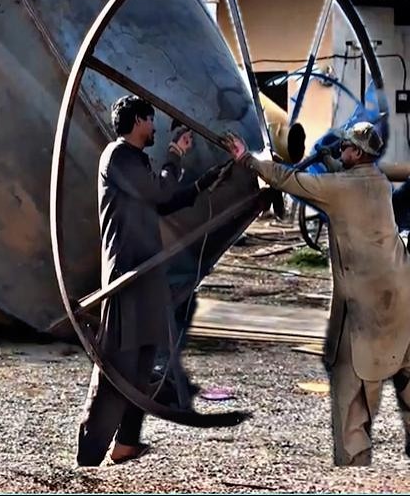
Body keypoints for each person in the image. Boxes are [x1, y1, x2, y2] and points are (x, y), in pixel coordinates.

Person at [224, 122, 410, 466]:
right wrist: (328, 162)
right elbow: (342, 179)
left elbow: (288, 180)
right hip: (403, 291)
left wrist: (248, 159)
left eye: (345, 148)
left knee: (352, 385)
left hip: (367, 304)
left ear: (357, 153)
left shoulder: (337, 189)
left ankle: (354, 468)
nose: (341, 151)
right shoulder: (379, 183)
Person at [77, 95, 224, 467]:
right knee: (118, 364)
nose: (155, 127)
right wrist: (175, 153)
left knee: (142, 363)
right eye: (151, 120)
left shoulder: (135, 162)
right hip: (127, 278)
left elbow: (165, 200)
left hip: (144, 274)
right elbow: (158, 191)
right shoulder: (118, 157)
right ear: (139, 121)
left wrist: (204, 182)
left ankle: (125, 444)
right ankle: (89, 454)